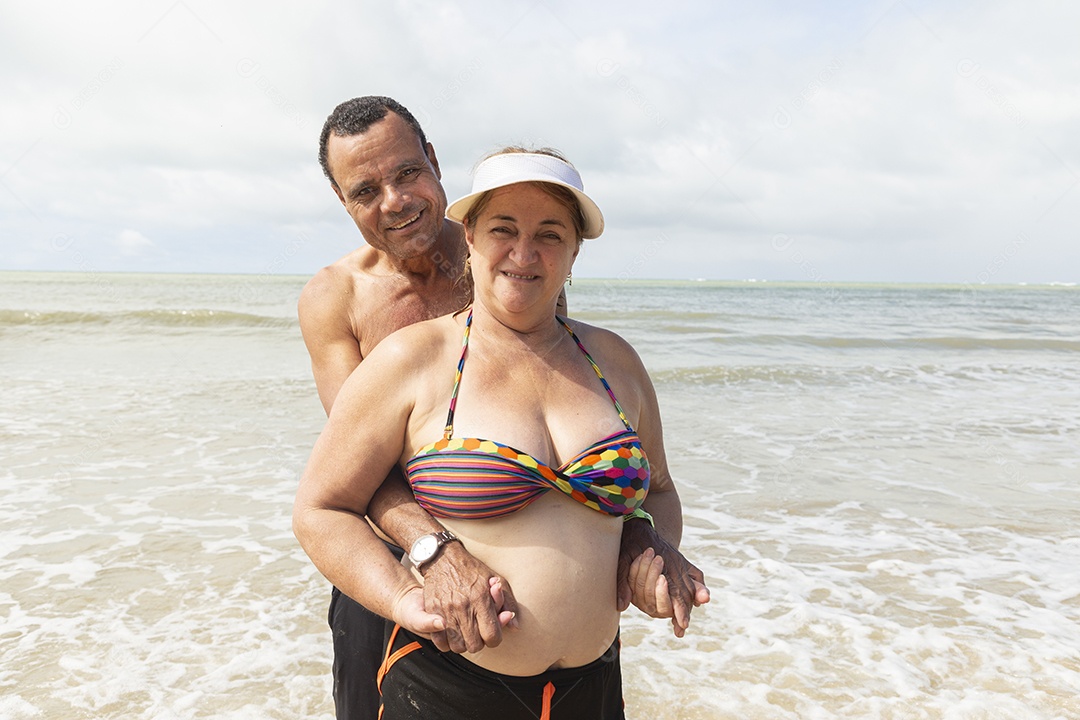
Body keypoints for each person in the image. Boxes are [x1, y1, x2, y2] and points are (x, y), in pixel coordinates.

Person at [294, 147, 710, 719]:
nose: (524, 252)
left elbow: (658, 491)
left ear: (575, 249)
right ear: (467, 235)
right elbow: (322, 509)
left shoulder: (614, 361)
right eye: (503, 230)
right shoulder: (411, 360)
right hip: (444, 686)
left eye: (549, 233)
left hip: (593, 688)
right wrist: (404, 598)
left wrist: (650, 544)